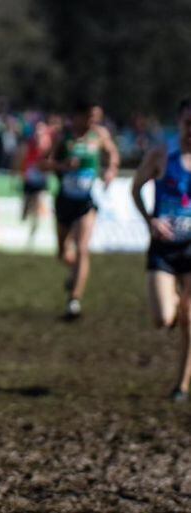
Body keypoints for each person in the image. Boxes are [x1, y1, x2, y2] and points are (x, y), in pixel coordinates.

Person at [132, 98, 191, 401]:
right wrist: (150, 220)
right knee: (163, 319)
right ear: (179, 123)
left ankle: (181, 385)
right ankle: (175, 301)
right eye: (188, 123)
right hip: (163, 250)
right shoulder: (161, 155)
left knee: (190, 320)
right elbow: (135, 188)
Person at [46, 101, 119, 319]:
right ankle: (75, 271)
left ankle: (74, 300)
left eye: (96, 118)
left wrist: (111, 170)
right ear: (77, 116)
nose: (93, 122)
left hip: (87, 201)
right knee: (62, 252)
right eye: (89, 117)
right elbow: (44, 163)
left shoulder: (100, 135)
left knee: (83, 248)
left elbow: (113, 154)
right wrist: (64, 166)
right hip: (64, 200)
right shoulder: (63, 137)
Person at [18, 116, 59, 246]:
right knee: (25, 210)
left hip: (41, 181)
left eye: (41, 130)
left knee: (37, 207)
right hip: (29, 180)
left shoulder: (49, 144)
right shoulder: (29, 144)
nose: (38, 133)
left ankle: (33, 234)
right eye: (37, 130)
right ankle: (26, 220)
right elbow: (21, 159)